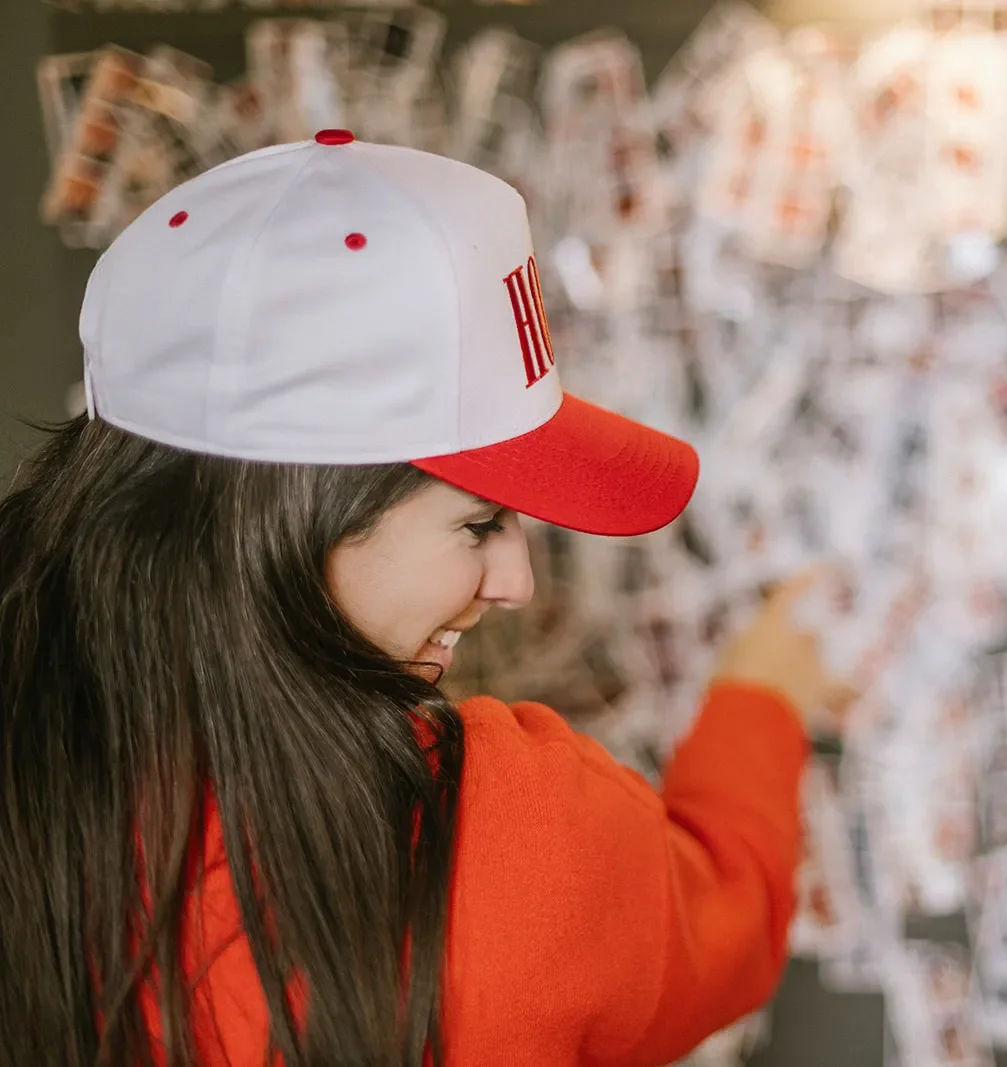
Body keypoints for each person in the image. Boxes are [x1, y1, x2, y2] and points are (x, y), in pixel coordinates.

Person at [0, 130, 836, 1067]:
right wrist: (761, 699)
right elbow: (724, 917)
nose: (516, 582)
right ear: (292, 521)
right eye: (480, 524)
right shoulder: (510, 842)